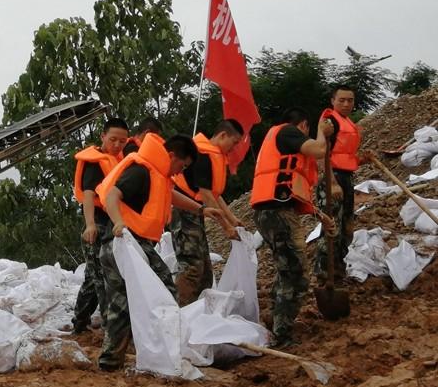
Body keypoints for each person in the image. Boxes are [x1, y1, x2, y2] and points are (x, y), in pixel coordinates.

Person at [95, 133, 229, 371]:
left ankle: (146, 351)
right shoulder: (141, 170)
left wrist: (201, 209)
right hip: (121, 245)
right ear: (170, 156)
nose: (179, 171)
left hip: (138, 245)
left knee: (146, 295)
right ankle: (115, 361)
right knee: (130, 301)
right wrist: (117, 223)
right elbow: (113, 195)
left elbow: (172, 196)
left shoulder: (159, 174)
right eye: (181, 165)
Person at [250, 108, 335, 349]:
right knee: (296, 275)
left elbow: (293, 192)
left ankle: (277, 322)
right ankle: (282, 333)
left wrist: (321, 216)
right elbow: (319, 150)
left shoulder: (281, 147)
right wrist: (323, 131)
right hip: (277, 214)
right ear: (304, 126)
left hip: (273, 213)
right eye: (309, 130)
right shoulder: (288, 132)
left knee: (286, 270)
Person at [170, 119, 246, 304]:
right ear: (223, 135)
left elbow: (215, 194)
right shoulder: (202, 154)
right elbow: (205, 195)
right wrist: (226, 227)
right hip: (184, 212)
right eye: (234, 142)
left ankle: (201, 313)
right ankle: (181, 313)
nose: (233, 147)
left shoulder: (215, 156)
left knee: (204, 269)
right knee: (192, 267)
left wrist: (232, 218)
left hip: (196, 213)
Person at [71, 118, 129, 333]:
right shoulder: (96, 162)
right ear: (103, 136)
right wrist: (90, 225)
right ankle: (110, 327)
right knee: (103, 277)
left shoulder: (120, 159)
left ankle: (79, 321)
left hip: (111, 221)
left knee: (93, 275)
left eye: (122, 142)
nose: (117, 145)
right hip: (97, 222)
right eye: (113, 139)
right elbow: (88, 196)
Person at [314, 85, 367, 284]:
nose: (346, 104)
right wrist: (332, 183)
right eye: (342, 100)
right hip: (332, 177)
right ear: (333, 101)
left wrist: (362, 160)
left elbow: (344, 156)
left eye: (350, 100)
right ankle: (323, 271)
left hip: (346, 177)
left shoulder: (348, 123)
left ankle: (337, 269)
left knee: (347, 226)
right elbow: (321, 155)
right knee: (331, 226)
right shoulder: (329, 122)